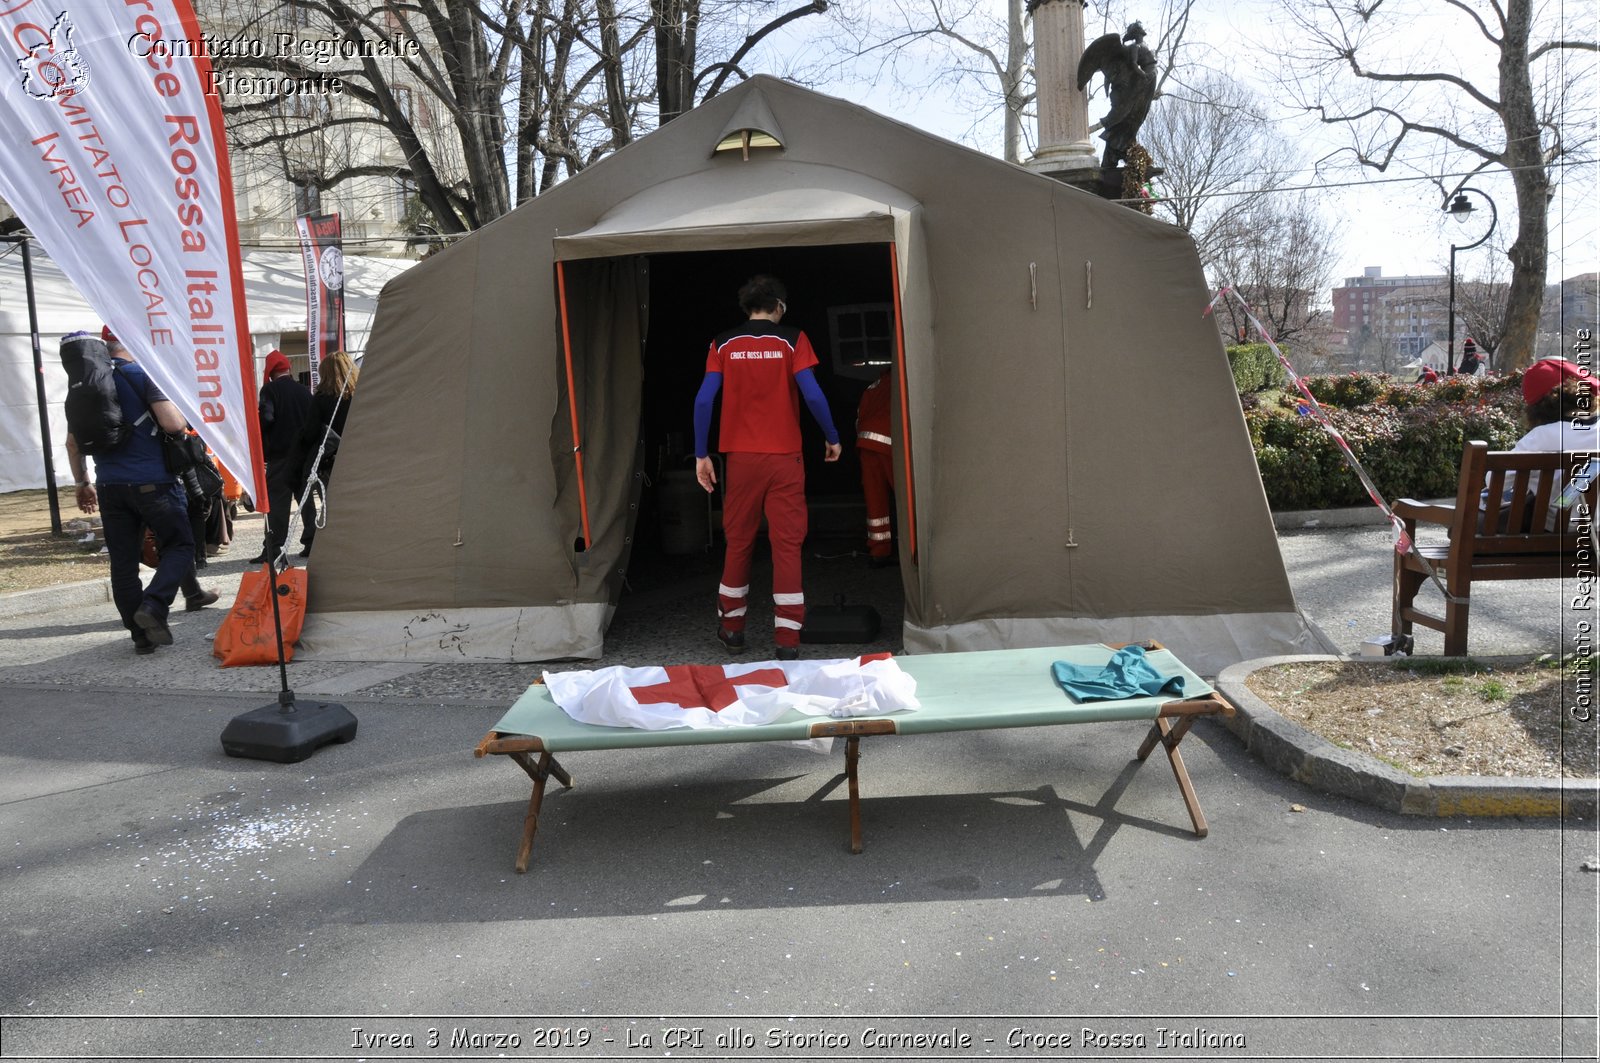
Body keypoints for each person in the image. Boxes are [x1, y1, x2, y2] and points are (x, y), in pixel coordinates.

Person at [693, 275, 841, 660]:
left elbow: (705, 400)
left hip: (740, 460)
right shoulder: (793, 339)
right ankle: (788, 641)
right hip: (785, 459)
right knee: (787, 546)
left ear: (747, 307)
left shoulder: (722, 343)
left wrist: (700, 453)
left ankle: (732, 631)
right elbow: (811, 392)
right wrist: (832, 435)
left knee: (739, 543)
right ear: (779, 305)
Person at [65, 330, 213, 654]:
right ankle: (155, 606)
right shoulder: (141, 374)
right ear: (131, 344)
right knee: (180, 545)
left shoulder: (83, 389)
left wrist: (82, 484)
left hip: (108, 486)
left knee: (123, 563)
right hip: (153, 483)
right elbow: (173, 424)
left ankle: (140, 637)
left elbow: (73, 443)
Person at [1480, 357, 1596, 531]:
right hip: (1596, 531)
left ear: (1538, 407)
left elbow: (1496, 482)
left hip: (1553, 531)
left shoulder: (1542, 437)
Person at [253, 349, 315, 564]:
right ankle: (312, 542)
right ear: (288, 368)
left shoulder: (270, 390)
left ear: (270, 372)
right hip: (303, 455)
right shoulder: (304, 391)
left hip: (280, 456)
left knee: (278, 503)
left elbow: (267, 418)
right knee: (305, 499)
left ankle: (273, 548)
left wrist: (260, 434)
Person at [294, 349, 359, 555]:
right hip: (357, 455)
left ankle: (330, 543)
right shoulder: (359, 395)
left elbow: (311, 431)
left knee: (329, 503)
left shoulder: (322, 398)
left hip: (329, 459)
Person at [855, 368, 897, 567]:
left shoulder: (876, 385)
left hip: (866, 442)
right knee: (907, 498)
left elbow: (860, 415)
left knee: (875, 497)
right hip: (890, 442)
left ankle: (879, 549)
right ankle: (914, 548)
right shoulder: (903, 383)